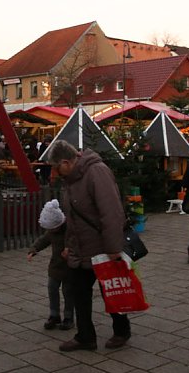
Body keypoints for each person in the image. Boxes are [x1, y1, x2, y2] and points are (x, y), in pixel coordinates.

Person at [46, 139, 131, 352]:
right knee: (78, 292)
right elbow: (72, 219)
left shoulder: (97, 173)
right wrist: (68, 246)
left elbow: (111, 213)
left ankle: (121, 331)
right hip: (80, 248)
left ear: (66, 162)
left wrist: (113, 249)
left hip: (102, 248)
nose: (56, 174)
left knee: (110, 291)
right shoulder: (71, 180)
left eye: (57, 168)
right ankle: (85, 336)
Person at [27, 199, 74, 331]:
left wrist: (69, 248)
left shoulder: (70, 229)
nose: (51, 231)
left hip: (69, 267)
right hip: (55, 266)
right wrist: (34, 250)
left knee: (68, 292)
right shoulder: (51, 232)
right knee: (52, 289)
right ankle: (54, 315)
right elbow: (43, 240)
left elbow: (76, 240)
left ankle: (69, 317)